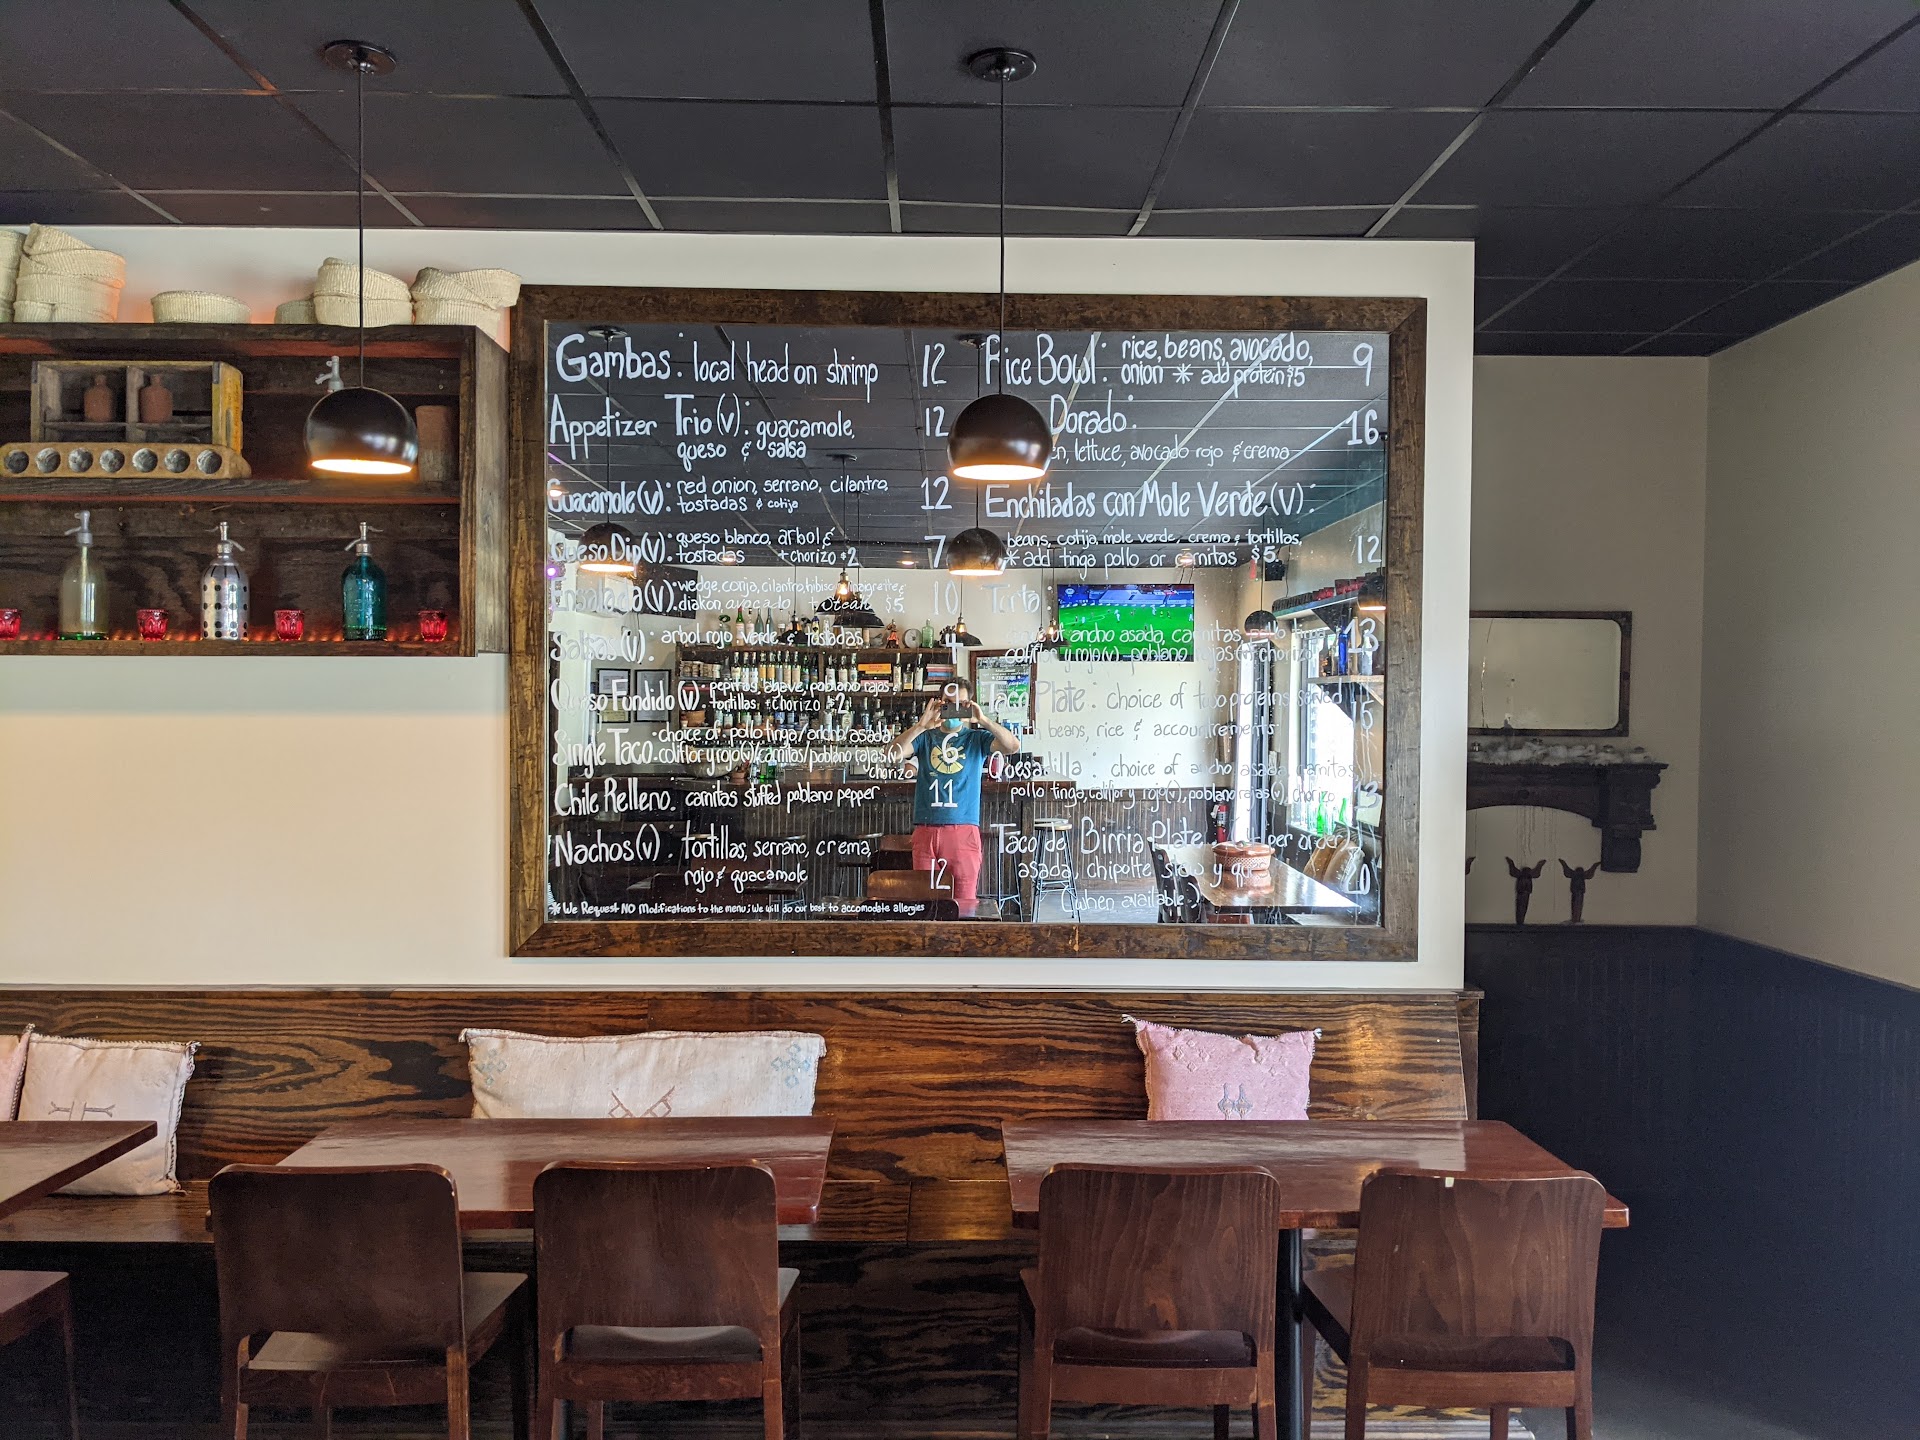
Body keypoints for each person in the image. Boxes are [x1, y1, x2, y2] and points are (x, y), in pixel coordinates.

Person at [883, 678, 1020, 911]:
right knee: (925, 907)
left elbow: (1012, 746)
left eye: (961, 703)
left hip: (963, 831)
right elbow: (891, 754)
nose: (954, 708)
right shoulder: (925, 737)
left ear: (969, 705)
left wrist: (983, 720)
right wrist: (921, 726)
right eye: (948, 702)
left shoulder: (976, 739)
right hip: (925, 831)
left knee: (963, 906)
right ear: (939, 703)